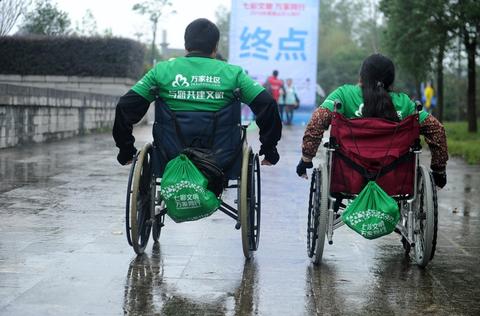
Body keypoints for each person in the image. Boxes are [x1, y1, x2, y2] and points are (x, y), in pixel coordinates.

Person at [113, 18, 282, 167]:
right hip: (221, 157)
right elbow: (267, 104)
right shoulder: (234, 74)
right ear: (215, 47)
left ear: (186, 45)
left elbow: (125, 106)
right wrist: (269, 148)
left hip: (169, 155)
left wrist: (126, 150)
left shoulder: (161, 71)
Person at [296, 53, 448, 189]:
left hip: (349, 176)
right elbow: (436, 130)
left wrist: (307, 157)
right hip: (394, 179)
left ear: (361, 76)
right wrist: (439, 170)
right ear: (390, 80)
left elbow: (317, 120)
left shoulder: (343, 95)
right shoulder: (405, 103)